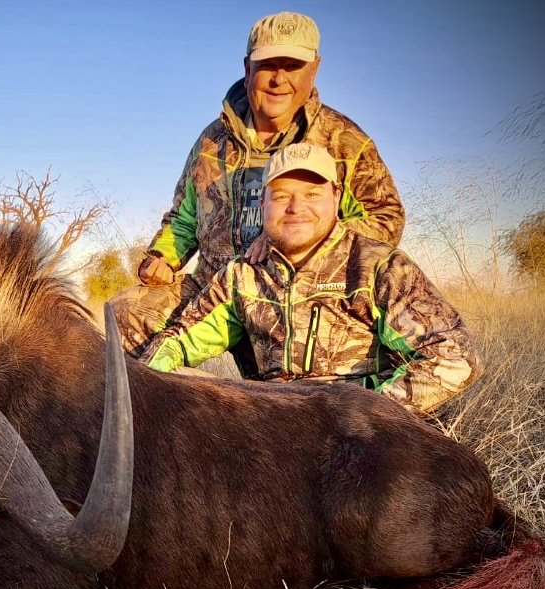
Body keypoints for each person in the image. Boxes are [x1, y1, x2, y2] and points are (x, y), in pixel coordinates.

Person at [111, 10, 405, 356]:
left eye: (293, 66)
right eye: (268, 66)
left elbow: (387, 217)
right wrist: (163, 256)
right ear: (247, 67)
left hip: (294, 296)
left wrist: (295, 238)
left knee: (292, 399)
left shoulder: (346, 141)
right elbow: (183, 217)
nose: (279, 79)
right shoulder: (211, 142)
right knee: (124, 315)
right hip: (212, 288)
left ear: (315, 69)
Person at [139, 143, 478, 416]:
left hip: (365, 432)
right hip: (275, 424)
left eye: (312, 194)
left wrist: (369, 411)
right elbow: (177, 342)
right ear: (264, 202)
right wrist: (144, 390)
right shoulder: (242, 275)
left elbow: (456, 358)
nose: (296, 207)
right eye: (282, 195)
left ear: (336, 196)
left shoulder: (379, 265)